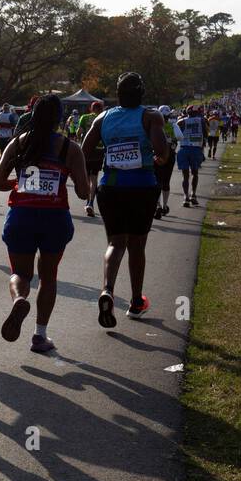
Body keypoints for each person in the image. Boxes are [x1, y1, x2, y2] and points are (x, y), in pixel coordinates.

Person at [0, 94, 89, 354]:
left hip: (21, 216)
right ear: (60, 119)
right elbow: (83, 192)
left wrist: (22, 184)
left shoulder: (18, 143)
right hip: (55, 218)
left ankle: (20, 299)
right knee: (49, 277)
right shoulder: (70, 148)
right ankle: (39, 335)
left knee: (20, 274)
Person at [82, 72, 169, 327]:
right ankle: (135, 302)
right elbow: (161, 151)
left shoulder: (102, 117)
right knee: (137, 246)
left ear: (117, 94)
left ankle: (107, 290)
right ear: (141, 93)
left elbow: (84, 150)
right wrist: (157, 159)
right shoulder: (151, 116)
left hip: (110, 188)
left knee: (115, 243)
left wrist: (109, 151)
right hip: (142, 187)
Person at [76, 99, 105, 216]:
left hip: (86, 151)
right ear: (101, 109)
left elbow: (79, 131)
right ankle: (90, 202)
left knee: (87, 177)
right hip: (99, 152)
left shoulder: (84, 117)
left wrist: (80, 140)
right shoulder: (103, 118)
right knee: (94, 177)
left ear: (91, 109)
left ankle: (88, 200)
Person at [174, 105, 206, 207]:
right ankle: (193, 194)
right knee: (195, 173)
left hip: (184, 148)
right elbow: (205, 135)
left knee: (185, 175)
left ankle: (185, 197)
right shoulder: (202, 121)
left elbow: (176, 135)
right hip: (196, 149)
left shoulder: (181, 121)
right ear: (197, 113)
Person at [154, 105, 178, 219]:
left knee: (157, 181)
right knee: (166, 182)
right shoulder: (173, 125)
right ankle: (164, 206)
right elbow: (178, 139)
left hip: (158, 156)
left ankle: (158, 205)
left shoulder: (155, 126)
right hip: (170, 156)